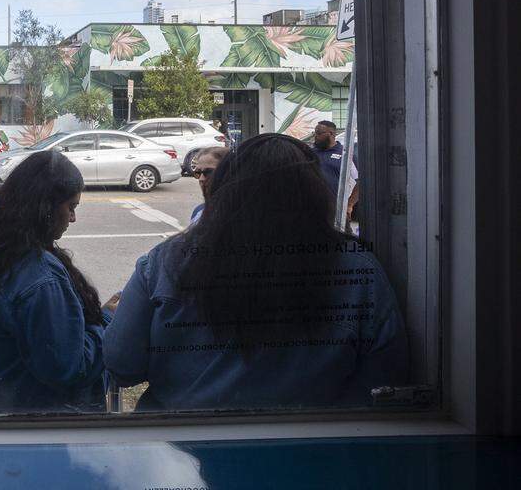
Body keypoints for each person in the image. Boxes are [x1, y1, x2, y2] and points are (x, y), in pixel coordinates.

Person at [103, 133, 408, 411]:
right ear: (316, 193)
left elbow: (121, 364)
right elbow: (384, 376)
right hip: (313, 450)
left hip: (183, 449)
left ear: (224, 190)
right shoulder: (358, 268)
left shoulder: (165, 261)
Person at [0, 150, 112, 414]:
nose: (73, 218)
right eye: (70, 207)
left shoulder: (1, 255)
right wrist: (108, 319)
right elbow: (68, 369)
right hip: (53, 431)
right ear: (45, 207)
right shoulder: (39, 278)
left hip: (18, 424)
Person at [312, 120, 359, 219]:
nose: (315, 136)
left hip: (336, 211)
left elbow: (361, 182)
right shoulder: (310, 153)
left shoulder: (345, 154)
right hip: (312, 209)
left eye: (319, 133)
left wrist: (349, 205)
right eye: (314, 133)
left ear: (331, 134)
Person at [188, 146, 229, 225]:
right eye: (198, 173)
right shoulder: (199, 211)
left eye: (209, 172)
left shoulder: (239, 215)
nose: (201, 179)